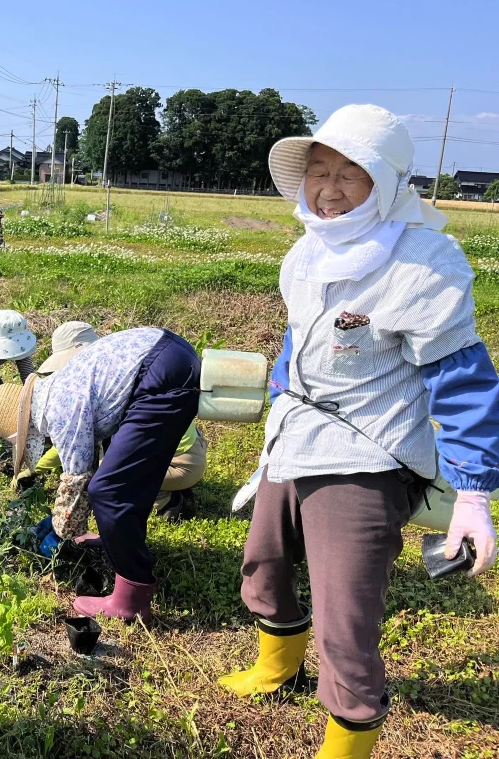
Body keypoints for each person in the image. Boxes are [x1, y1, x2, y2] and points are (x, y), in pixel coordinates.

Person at [218, 105, 499, 759]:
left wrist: (474, 496)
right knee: (262, 566)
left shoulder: (424, 263)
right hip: (296, 437)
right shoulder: (307, 250)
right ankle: (276, 666)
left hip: (367, 455)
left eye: (353, 172)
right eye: (319, 169)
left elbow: (461, 381)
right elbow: (300, 339)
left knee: (346, 616)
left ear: (391, 182)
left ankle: (347, 739)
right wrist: (285, 389)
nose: (330, 187)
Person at [0, 327, 201, 623]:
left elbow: (77, 478)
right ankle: (120, 543)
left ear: (27, 428)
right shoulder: (59, 389)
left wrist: (62, 528)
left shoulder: (57, 409)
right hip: (170, 354)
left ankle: (131, 599)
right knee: (121, 474)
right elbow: (94, 458)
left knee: (110, 491)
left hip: (161, 371)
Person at [30, 321, 208, 523]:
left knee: (108, 480)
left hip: (183, 463)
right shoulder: (121, 377)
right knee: (107, 462)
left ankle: (168, 501)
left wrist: (34, 469)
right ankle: (169, 483)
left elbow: (71, 446)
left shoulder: (81, 396)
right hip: (191, 448)